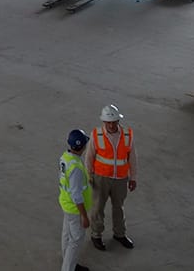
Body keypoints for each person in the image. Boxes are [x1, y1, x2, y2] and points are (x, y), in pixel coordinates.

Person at [83, 103, 137, 251]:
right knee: (98, 207)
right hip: (100, 178)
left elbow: (132, 157)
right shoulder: (96, 135)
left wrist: (133, 177)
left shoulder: (127, 134)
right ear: (104, 122)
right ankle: (96, 235)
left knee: (119, 207)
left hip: (120, 178)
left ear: (118, 121)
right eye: (109, 123)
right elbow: (89, 157)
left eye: (114, 122)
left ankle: (120, 234)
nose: (112, 126)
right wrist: (88, 175)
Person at [59, 129, 93, 271]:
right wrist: (84, 216)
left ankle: (68, 262)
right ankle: (68, 268)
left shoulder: (66, 158)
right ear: (83, 146)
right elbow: (76, 195)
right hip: (75, 209)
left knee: (67, 235)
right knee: (76, 240)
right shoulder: (76, 168)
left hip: (66, 204)